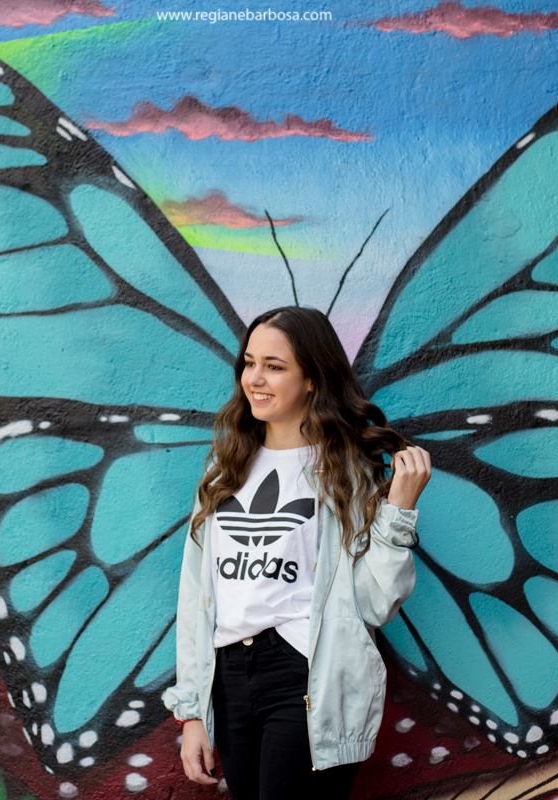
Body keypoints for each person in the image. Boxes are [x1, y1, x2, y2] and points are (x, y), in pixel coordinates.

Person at [162, 306, 431, 799]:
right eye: (249, 363)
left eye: (275, 366)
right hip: (229, 677)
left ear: (312, 378)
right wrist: (193, 714)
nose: (255, 379)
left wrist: (399, 510)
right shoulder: (224, 467)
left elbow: (376, 604)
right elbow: (195, 594)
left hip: (305, 673)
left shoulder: (350, 470)